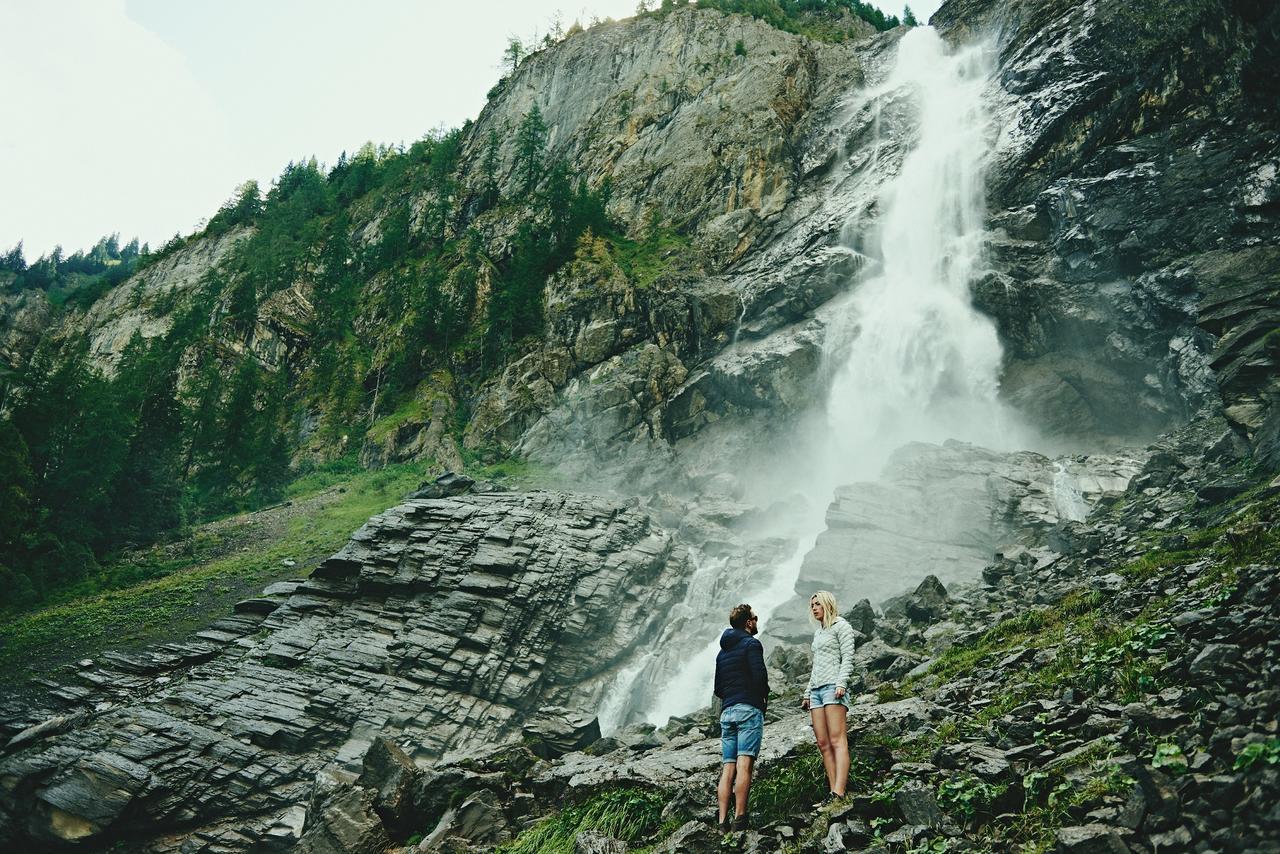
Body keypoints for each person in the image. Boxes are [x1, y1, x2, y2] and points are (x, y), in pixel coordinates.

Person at [713, 603, 768, 833]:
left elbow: (718, 688)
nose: (757, 621)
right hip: (748, 709)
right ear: (748, 622)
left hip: (727, 712)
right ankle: (740, 819)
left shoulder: (721, 652)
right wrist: (760, 699)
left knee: (728, 767)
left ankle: (722, 821)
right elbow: (760, 678)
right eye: (755, 617)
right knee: (745, 764)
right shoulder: (752, 644)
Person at [801, 590, 857, 799]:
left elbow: (848, 658)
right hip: (816, 691)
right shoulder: (819, 633)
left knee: (837, 740)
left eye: (817, 604)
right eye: (812, 605)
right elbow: (816, 666)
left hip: (833, 687)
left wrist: (841, 683)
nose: (814, 608)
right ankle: (832, 791)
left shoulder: (841, 626)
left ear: (827, 604)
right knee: (823, 743)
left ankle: (839, 792)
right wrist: (807, 693)